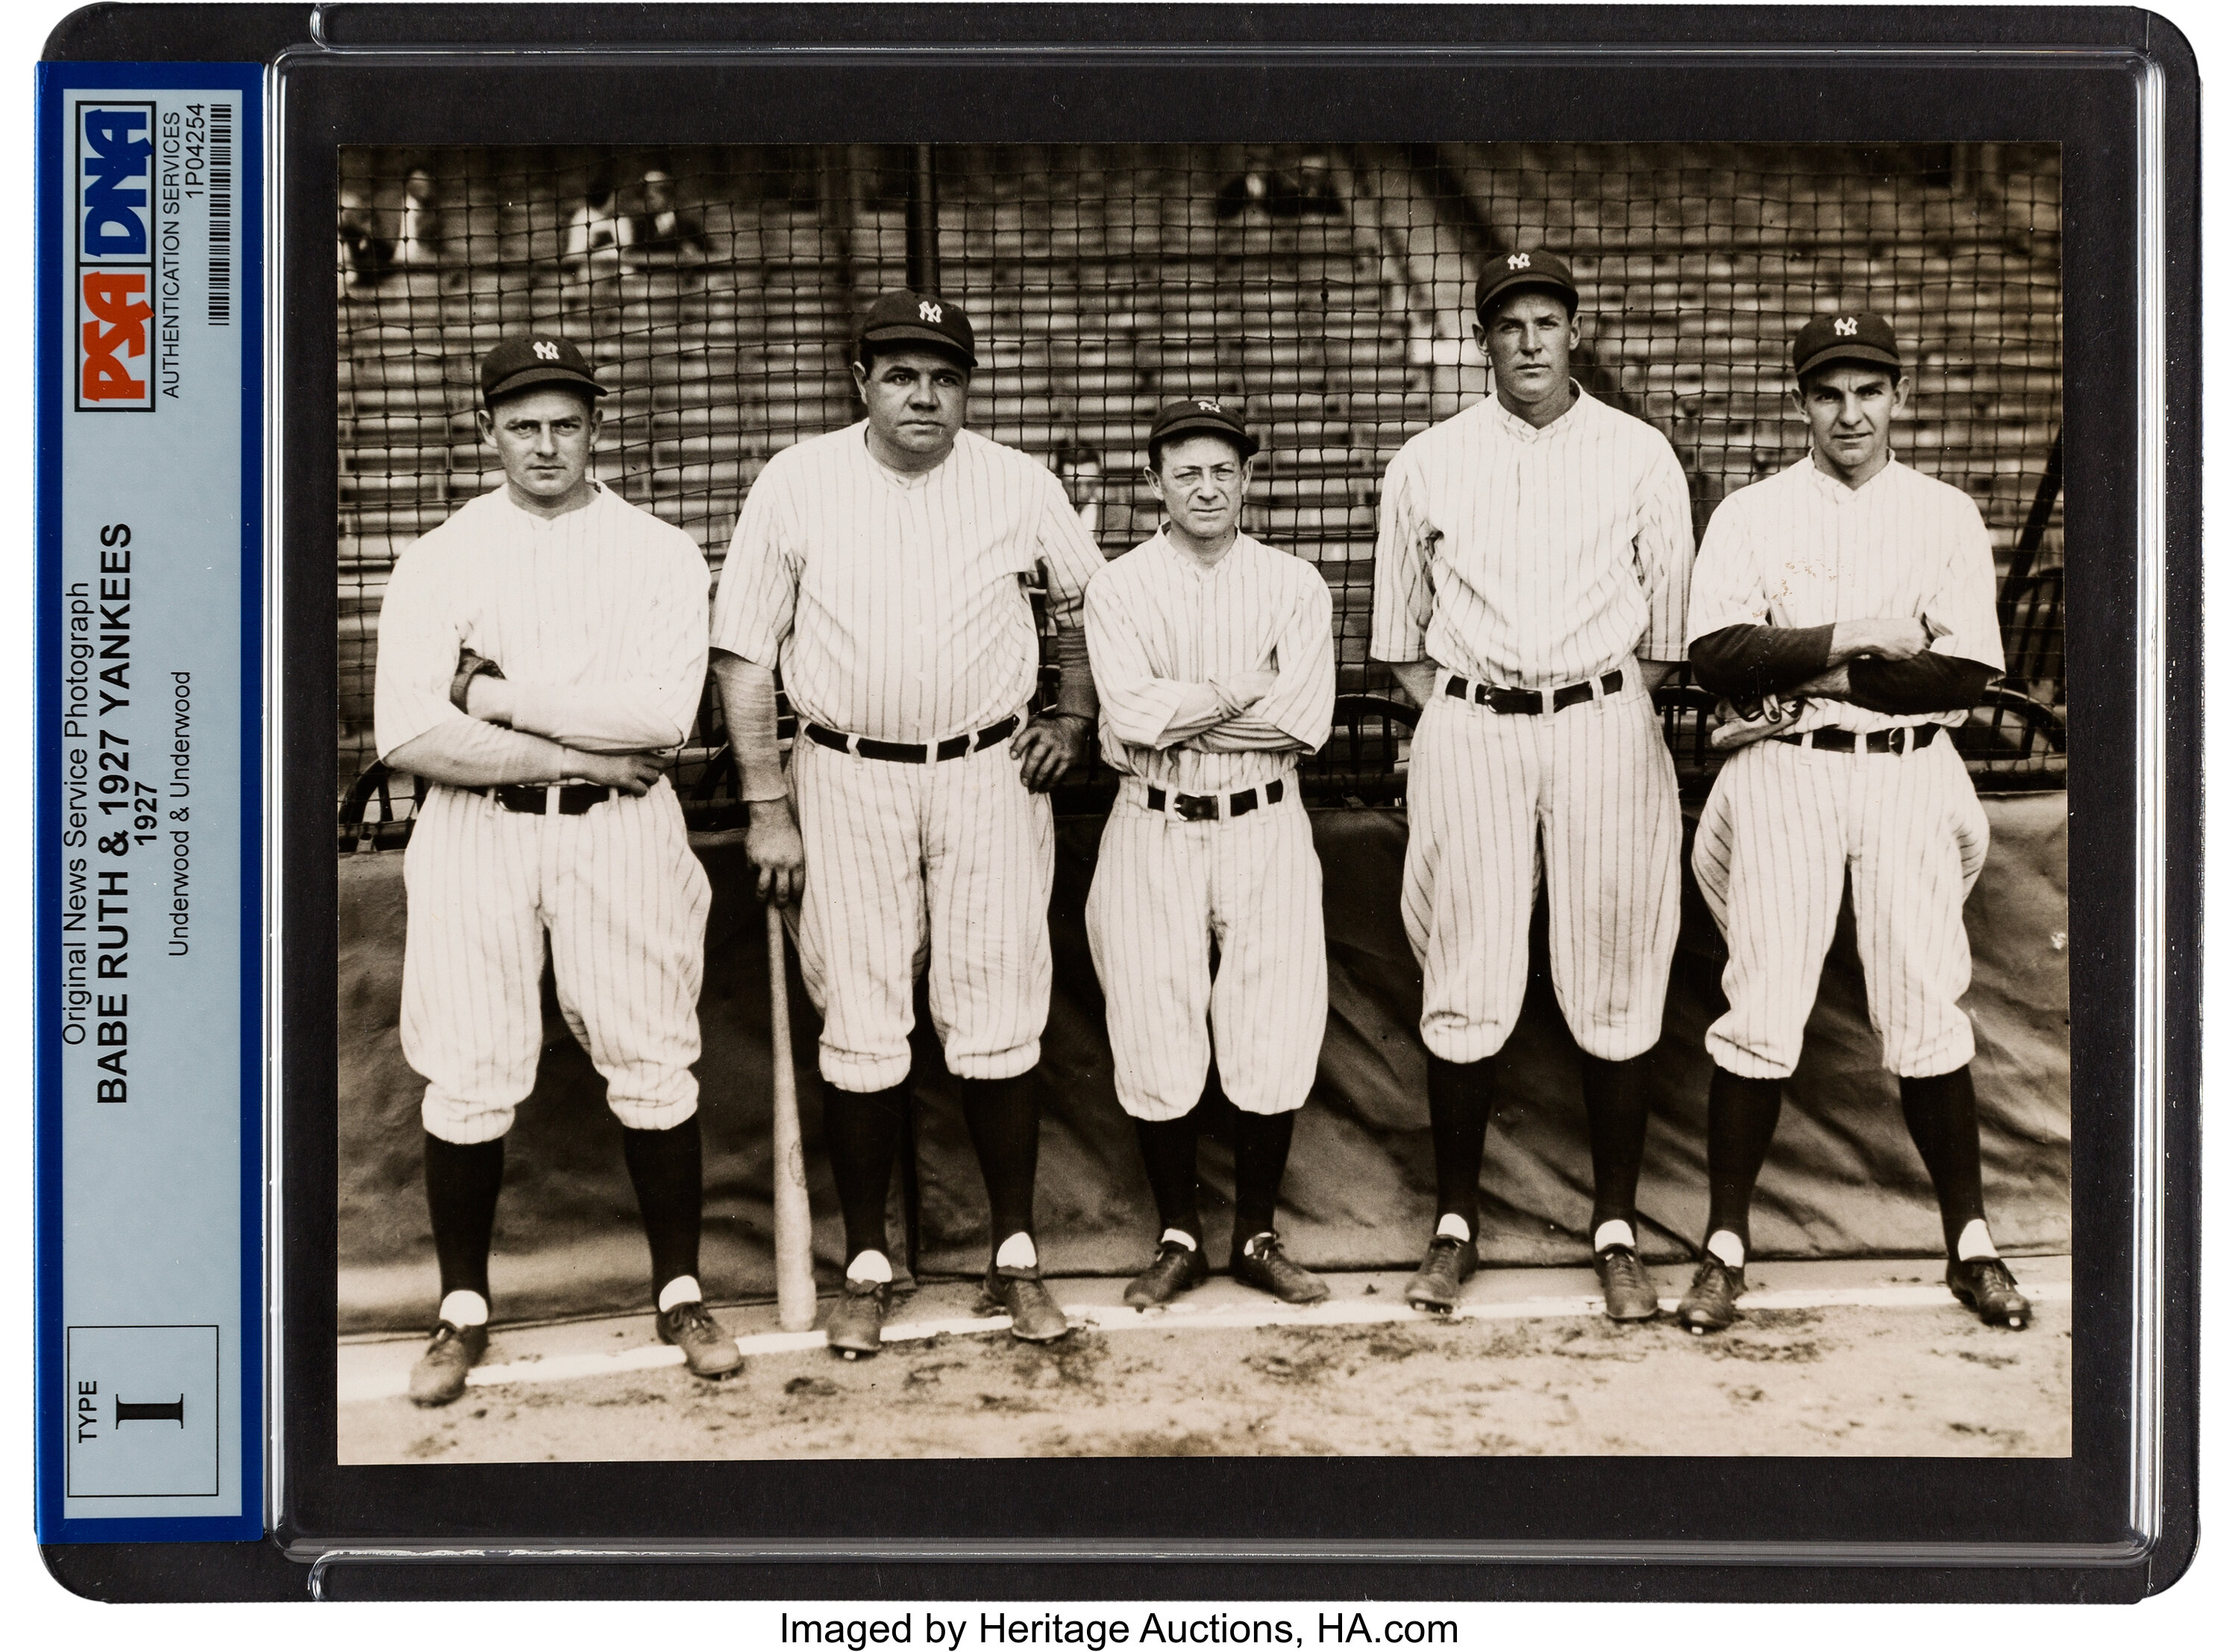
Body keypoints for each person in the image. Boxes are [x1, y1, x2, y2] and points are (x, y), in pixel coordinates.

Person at [708, 291, 1106, 1356]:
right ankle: (870, 1261)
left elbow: (1090, 606)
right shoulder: (796, 480)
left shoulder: (1019, 482)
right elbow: (745, 654)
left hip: (988, 769)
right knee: (865, 1019)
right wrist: (766, 805)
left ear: (967, 387)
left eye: (943, 375)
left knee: (997, 1011)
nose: (923, 393)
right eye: (899, 373)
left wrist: (1072, 714)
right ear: (861, 381)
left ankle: (1014, 1254)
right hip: (843, 776)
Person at [373, 336, 739, 1407]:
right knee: (470, 1066)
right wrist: (574, 753)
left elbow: (660, 716)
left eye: (565, 422)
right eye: (523, 423)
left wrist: (491, 697)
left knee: (652, 1051)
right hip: (480, 827)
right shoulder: (438, 553)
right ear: (487, 429)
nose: (545, 443)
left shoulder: (660, 549)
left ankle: (680, 1288)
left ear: (594, 427)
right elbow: (407, 730)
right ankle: (461, 1307)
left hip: (620, 834)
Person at [1677, 310, 2031, 1335]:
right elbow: (1716, 654)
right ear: (1802, 402)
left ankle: (1971, 1241)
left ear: (1898, 397)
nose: (1850, 411)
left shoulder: (1945, 512)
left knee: (1924, 1002)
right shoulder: (1750, 511)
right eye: (1829, 391)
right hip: (1785, 772)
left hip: (1907, 776)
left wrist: (1815, 666)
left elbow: (1962, 671)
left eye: (1868, 389)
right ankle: (1725, 1245)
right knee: (1762, 1007)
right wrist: (1867, 637)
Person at [1369, 249, 1695, 1321]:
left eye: (1547, 320)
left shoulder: (1641, 453)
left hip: (1605, 717)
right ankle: (1454, 1225)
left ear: (1573, 330)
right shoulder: (1426, 459)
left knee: (1614, 969)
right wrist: (1471, 712)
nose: (1530, 341)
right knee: (1465, 970)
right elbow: (1399, 641)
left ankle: (1614, 1227)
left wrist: (1590, 700)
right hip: (1473, 722)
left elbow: (1668, 637)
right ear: (1484, 338)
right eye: (1509, 323)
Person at [1082, 398, 1337, 1309]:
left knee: (1271, 1022)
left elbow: (1302, 722)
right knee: (1155, 1023)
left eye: (1224, 469)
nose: (1206, 485)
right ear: (1156, 481)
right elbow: (1130, 716)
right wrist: (1241, 688)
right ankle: (1180, 1235)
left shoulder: (1296, 584)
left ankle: (1257, 1235)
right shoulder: (1117, 587)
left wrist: (1181, 706)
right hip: (1151, 821)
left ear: (1248, 479)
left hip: (1265, 821)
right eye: (1186, 470)